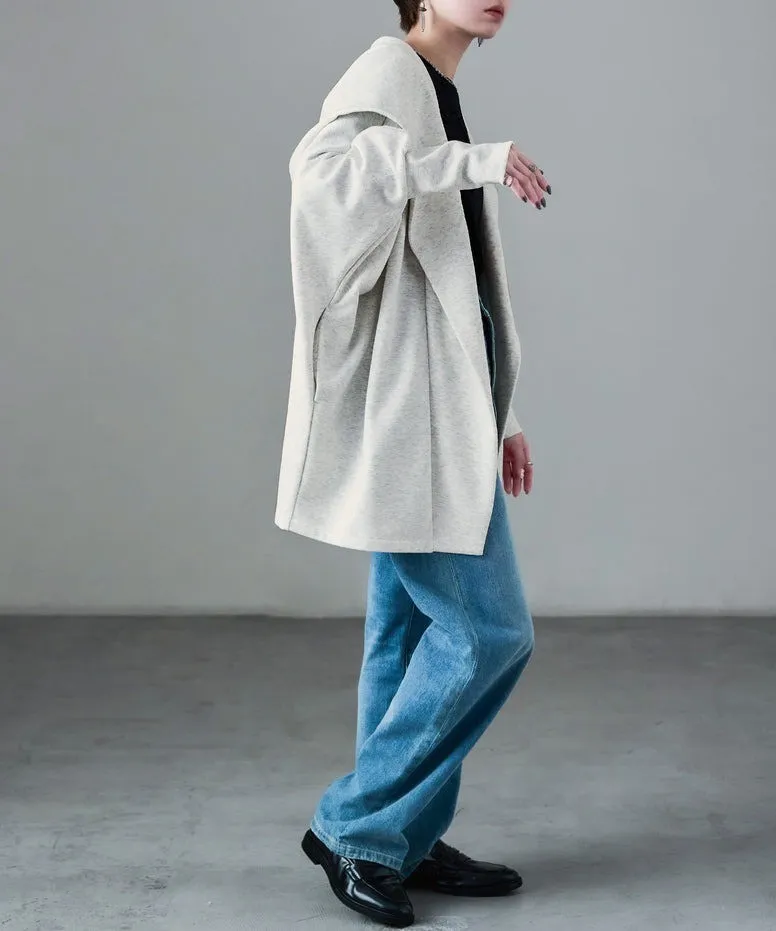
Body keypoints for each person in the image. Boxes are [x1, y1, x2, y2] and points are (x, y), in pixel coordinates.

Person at [275, 1, 551, 925]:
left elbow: (452, 273)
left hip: (444, 406)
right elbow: (324, 180)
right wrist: (467, 162)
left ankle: (404, 837)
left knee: (401, 640)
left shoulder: (438, 89)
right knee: (488, 631)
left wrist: (502, 411)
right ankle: (355, 826)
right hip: (409, 414)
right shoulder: (387, 74)